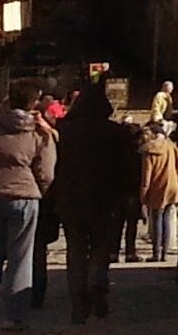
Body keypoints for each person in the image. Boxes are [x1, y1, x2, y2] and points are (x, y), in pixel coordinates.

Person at [0, 86, 58, 329]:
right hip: (24, 196)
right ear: (34, 103)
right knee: (20, 258)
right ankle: (14, 316)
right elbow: (46, 172)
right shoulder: (39, 131)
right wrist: (38, 190)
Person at [49, 88, 140, 323]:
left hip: (71, 199)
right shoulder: (116, 133)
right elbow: (130, 167)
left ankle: (78, 300)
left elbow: (53, 167)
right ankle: (97, 283)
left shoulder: (64, 132)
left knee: (76, 249)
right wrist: (130, 193)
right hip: (107, 199)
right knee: (102, 246)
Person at [138, 121, 178, 265]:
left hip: (157, 187)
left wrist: (143, 195)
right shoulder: (171, 146)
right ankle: (164, 252)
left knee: (157, 219)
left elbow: (147, 175)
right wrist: (174, 176)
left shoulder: (149, 151)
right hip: (171, 185)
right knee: (167, 219)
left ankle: (156, 253)